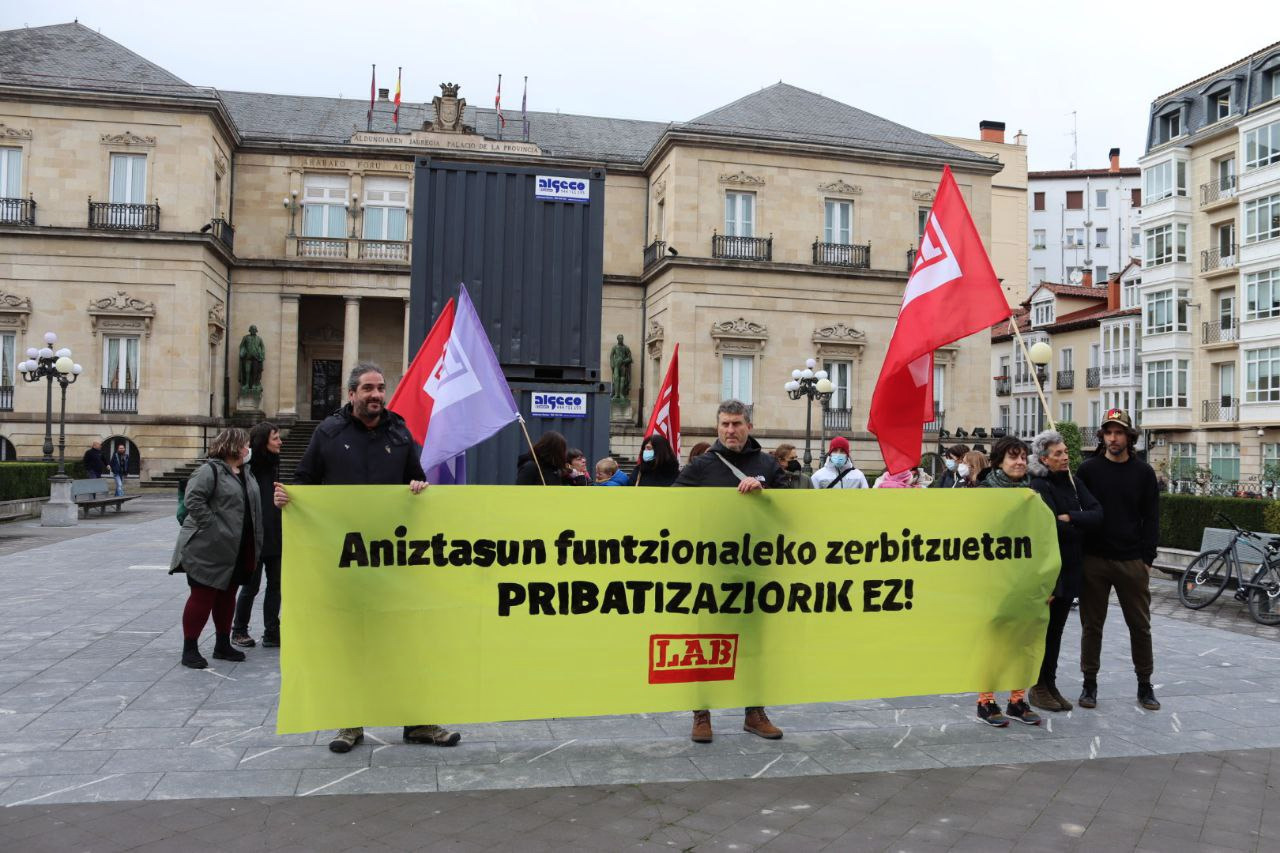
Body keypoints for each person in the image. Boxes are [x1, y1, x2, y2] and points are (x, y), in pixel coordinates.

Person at [273, 362, 460, 753]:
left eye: (381, 388)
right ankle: (350, 723)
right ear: (351, 394)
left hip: (394, 561)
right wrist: (288, 497)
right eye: (368, 388)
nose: (376, 395)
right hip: (345, 562)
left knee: (406, 642)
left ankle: (419, 722)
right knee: (351, 645)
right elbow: (305, 482)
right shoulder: (328, 433)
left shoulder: (399, 432)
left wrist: (419, 486)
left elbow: (417, 479)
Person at [674, 400, 788, 743]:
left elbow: (792, 508)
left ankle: (754, 712)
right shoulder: (702, 466)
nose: (730, 430)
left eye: (737, 424)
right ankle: (701, 714)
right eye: (724, 424)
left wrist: (765, 493)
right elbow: (671, 505)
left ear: (748, 426)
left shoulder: (767, 464)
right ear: (717, 427)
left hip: (756, 571)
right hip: (712, 572)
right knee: (706, 644)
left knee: (753, 646)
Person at [1075, 409, 1161, 712]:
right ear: (1102, 436)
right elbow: (1079, 510)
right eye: (1108, 432)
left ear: (1129, 437)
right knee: (1091, 626)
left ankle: (1145, 684)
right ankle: (1089, 683)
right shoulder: (1088, 470)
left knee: (1140, 626)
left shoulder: (1143, 473)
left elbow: (1152, 518)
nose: (1113, 438)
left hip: (1131, 560)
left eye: (1119, 432)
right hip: (1094, 560)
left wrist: (1147, 559)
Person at [170, 428, 262, 670]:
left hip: (236, 547)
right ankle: (190, 648)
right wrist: (213, 527)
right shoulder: (209, 470)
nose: (248, 449)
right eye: (245, 444)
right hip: (207, 546)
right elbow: (193, 500)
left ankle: (222, 644)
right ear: (233, 446)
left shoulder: (245, 472)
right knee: (203, 596)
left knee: (227, 595)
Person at [1027, 430, 1101, 713]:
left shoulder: (1073, 481)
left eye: (1066, 452)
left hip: (1071, 567)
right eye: (1058, 453)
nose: (1065, 457)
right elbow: (1050, 527)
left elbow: (1097, 514)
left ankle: (1050, 682)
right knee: (1044, 631)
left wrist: (1071, 517)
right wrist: (1079, 526)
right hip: (1050, 570)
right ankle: (1037, 685)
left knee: (1056, 631)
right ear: (1044, 459)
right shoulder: (1039, 485)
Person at [973, 436, 1042, 727]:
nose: (1020, 462)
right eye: (1014, 457)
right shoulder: (983, 492)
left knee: (1022, 640)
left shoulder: (1034, 492)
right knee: (993, 641)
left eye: (1024, 457)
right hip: (992, 578)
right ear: (999, 462)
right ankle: (985, 700)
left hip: (1024, 577)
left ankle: (1017, 700)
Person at [231, 422, 283, 649]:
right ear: (264, 441)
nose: (280, 442)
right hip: (254, 535)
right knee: (251, 586)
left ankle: (272, 630)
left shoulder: (274, 463)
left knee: (276, 585)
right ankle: (239, 630)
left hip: (274, 533)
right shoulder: (248, 466)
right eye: (275, 438)